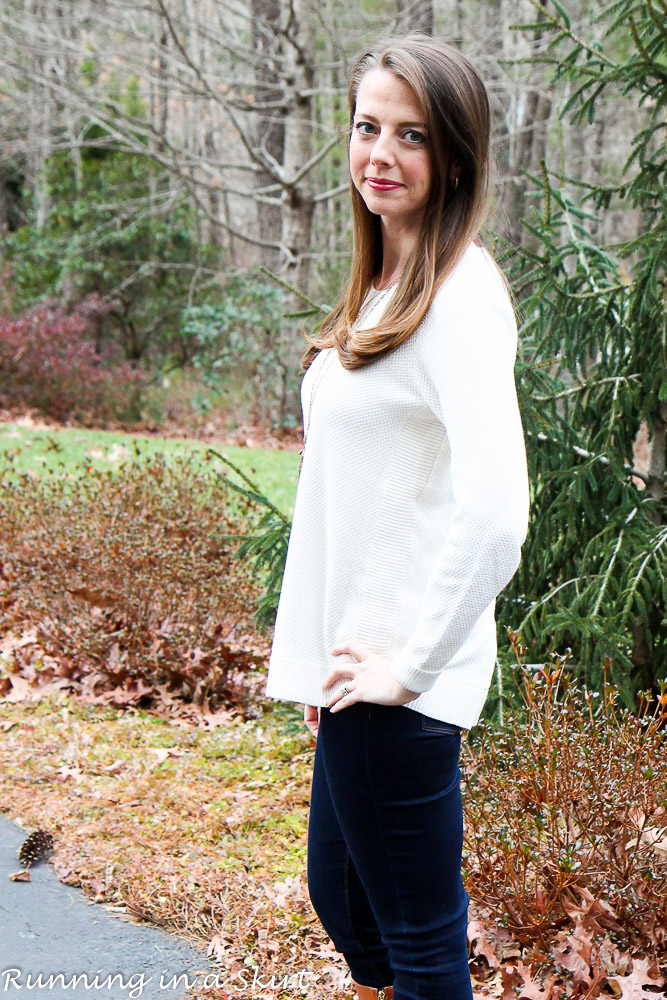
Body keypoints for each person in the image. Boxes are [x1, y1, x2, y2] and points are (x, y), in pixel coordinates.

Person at [265, 34, 530, 1000]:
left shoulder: (457, 300)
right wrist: (328, 653)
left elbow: (498, 513)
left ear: (452, 155)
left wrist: (407, 666)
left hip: (398, 689)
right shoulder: (389, 285)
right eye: (365, 126)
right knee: (344, 901)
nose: (378, 152)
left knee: (417, 944)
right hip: (357, 676)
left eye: (408, 135)